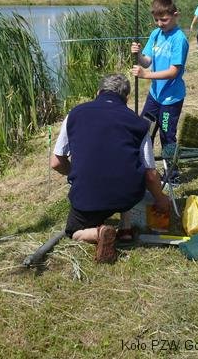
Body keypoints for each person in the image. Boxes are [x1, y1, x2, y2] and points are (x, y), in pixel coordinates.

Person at [51, 74, 172, 263]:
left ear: (98, 92)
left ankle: (99, 233)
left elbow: (56, 162)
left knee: (74, 231)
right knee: (127, 165)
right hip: (127, 195)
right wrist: (161, 198)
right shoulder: (139, 123)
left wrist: (75, 173)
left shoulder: (74, 114)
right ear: (127, 98)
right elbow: (150, 174)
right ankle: (125, 228)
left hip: (88, 196)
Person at [131, 0, 189, 160]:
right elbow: (147, 61)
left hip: (170, 99)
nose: (159, 24)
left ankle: (172, 171)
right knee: (144, 131)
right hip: (154, 95)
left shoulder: (179, 39)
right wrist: (138, 54)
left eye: (164, 20)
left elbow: (173, 72)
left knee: (167, 135)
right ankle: (144, 165)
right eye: (156, 20)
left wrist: (146, 75)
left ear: (175, 15)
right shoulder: (156, 34)